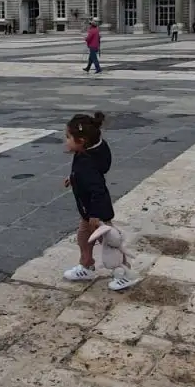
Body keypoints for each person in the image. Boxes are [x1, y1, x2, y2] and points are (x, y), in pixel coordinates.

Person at [62, 112, 134, 291]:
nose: (66, 141)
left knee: (110, 243)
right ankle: (86, 265)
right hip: (88, 212)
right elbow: (85, 175)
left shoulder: (87, 163)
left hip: (97, 213)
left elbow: (98, 190)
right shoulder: (90, 152)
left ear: (82, 140)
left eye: (68, 137)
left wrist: (95, 215)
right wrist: (73, 178)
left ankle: (124, 273)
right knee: (83, 238)